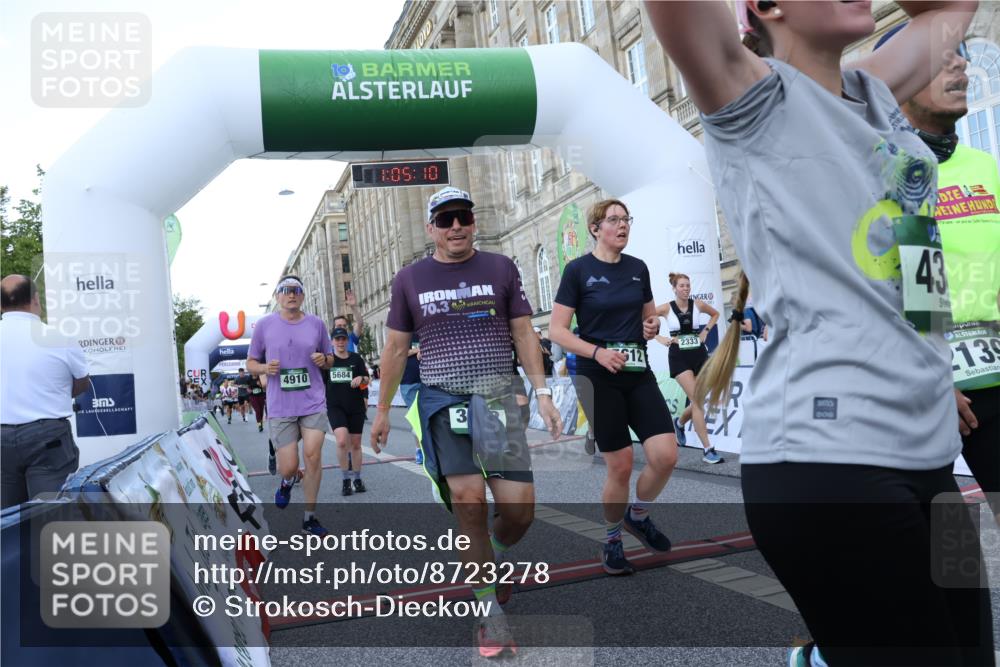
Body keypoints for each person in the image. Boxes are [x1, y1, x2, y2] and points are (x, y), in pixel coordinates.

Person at [647, 1, 990, 664]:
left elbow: (952, 10)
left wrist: (932, 367)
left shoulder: (874, 93)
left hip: (928, 457)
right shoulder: (751, 94)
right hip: (830, 462)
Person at [370, 186, 562, 658]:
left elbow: (522, 333)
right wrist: (380, 411)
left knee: (519, 513)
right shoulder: (410, 279)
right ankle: (488, 616)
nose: (456, 226)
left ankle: (493, 555)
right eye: (446, 218)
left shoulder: (500, 268)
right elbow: (395, 349)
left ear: (473, 222)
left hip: (496, 400)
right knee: (468, 502)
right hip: (441, 401)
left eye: (463, 217)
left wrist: (542, 393)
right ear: (432, 227)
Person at [877, 23, 1000, 524]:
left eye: (961, 56)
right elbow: (894, 287)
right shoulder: (889, 169)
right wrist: (934, 378)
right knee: (943, 548)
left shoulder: (985, 166)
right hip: (924, 389)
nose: (961, 66)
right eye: (942, 59)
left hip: (991, 372)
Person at [549, 199, 679, 576]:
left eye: (626, 220)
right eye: (614, 220)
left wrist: (651, 327)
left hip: (637, 370)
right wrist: (597, 352)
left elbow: (648, 316)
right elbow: (557, 330)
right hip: (598, 374)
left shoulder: (638, 269)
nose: (622, 226)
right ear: (595, 228)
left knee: (666, 456)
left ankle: (636, 515)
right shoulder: (578, 271)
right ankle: (610, 541)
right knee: (620, 466)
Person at [247, 275, 334, 537]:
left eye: (296, 290)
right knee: (288, 466)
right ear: (277, 296)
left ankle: (309, 517)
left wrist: (324, 360)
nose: (291, 294)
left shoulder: (316, 324)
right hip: (281, 405)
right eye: (285, 290)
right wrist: (263, 368)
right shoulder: (264, 325)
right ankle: (286, 480)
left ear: (303, 296)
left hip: (312, 401)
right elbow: (251, 363)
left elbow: (330, 359)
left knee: (313, 455)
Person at [1, 275, 90, 509]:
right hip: (48, 438)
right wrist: (53, 393)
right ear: (35, 300)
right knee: (50, 517)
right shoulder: (60, 337)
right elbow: (82, 382)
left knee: (5, 521)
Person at [653, 272, 723, 464]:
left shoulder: (698, 304)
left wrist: (705, 332)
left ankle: (680, 422)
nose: (685, 289)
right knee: (698, 401)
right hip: (679, 357)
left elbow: (715, 314)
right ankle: (708, 449)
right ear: (674, 288)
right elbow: (645, 320)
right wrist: (661, 338)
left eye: (687, 286)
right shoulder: (666, 308)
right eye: (682, 286)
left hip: (699, 354)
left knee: (698, 399)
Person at [323, 326, 370, 496]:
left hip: (355, 406)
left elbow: (367, 380)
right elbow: (320, 384)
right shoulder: (328, 362)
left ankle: (357, 478)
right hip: (335, 406)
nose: (341, 342)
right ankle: (345, 480)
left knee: (356, 444)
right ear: (332, 342)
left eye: (343, 339)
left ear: (347, 341)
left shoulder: (356, 358)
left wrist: (361, 378)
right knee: (342, 441)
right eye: (337, 339)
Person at [399, 333, 424, 463]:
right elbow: (399, 352)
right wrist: (418, 350)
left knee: (427, 416)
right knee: (417, 417)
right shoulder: (404, 333)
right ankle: (419, 449)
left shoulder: (424, 331)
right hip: (409, 383)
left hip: (427, 380)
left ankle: (427, 448)